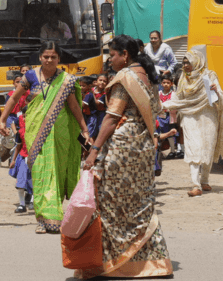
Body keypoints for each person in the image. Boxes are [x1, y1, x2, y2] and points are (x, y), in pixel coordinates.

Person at [77, 34, 173, 279]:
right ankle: (151, 261)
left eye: (113, 54)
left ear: (125, 55)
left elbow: (110, 118)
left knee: (111, 200)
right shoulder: (147, 76)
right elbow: (157, 110)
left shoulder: (125, 78)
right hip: (142, 146)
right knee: (140, 202)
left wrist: (94, 151)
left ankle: (115, 262)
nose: (109, 59)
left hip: (122, 144)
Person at [0, 41, 89, 234]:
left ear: (59, 59)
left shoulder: (66, 80)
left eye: (53, 57)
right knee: (40, 173)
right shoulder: (30, 77)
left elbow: (74, 107)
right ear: (40, 57)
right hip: (35, 132)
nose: (49, 60)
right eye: (46, 56)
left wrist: (85, 130)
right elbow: (14, 98)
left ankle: (57, 215)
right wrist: (2, 119)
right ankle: (42, 219)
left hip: (62, 134)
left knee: (57, 171)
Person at [162, 50, 223, 197]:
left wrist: (216, 91)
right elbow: (178, 98)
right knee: (194, 148)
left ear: (197, 61)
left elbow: (218, 98)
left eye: (188, 62)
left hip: (208, 116)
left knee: (207, 149)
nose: (185, 65)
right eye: (184, 62)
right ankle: (196, 185)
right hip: (189, 115)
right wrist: (163, 106)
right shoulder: (184, 78)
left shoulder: (209, 75)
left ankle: (204, 180)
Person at [9, 106, 33, 213]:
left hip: (35, 159)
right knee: (20, 182)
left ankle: (33, 201)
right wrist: (13, 160)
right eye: (24, 116)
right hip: (23, 158)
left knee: (34, 182)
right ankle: (22, 205)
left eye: (27, 115)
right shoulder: (21, 132)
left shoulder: (39, 131)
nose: (25, 118)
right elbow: (18, 146)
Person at [157, 75, 177, 159]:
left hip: (170, 117)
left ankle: (172, 151)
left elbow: (175, 105)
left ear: (171, 84)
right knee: (158, 133)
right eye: (164, 82)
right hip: (160, 117)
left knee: (170, 134)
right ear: (161, 84)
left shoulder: (173, 94)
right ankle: (158, 149)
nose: (166, 84)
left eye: (168, 83)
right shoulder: (158, 94)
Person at [79, 76, 97, 141]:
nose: (81, 87)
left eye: (83, 86)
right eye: (80, 85)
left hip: (91, 117)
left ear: (89, 86)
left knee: (90, 135)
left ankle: (92, 149)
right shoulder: (84, 93)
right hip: (86, 116)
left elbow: (83, 104)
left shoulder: (89, 94)